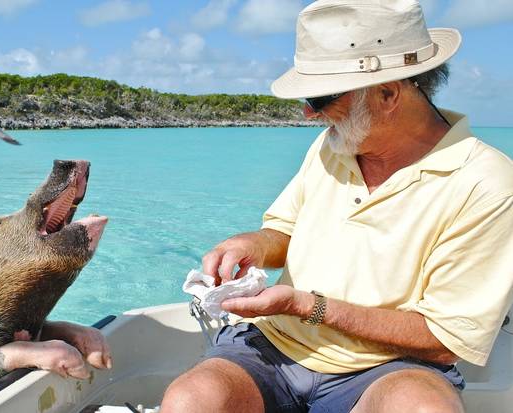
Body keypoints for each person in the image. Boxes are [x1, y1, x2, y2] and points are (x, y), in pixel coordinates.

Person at [160, 1, 513, 412]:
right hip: (275, 344)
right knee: (190, 401)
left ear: (387, 94)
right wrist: (252, 244)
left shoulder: (487, 182)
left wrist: (305, 306)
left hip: (389, 367)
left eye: (321, 96)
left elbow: (443, 341)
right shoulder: (336, 143)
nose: (309, 112)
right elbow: (284, 233)